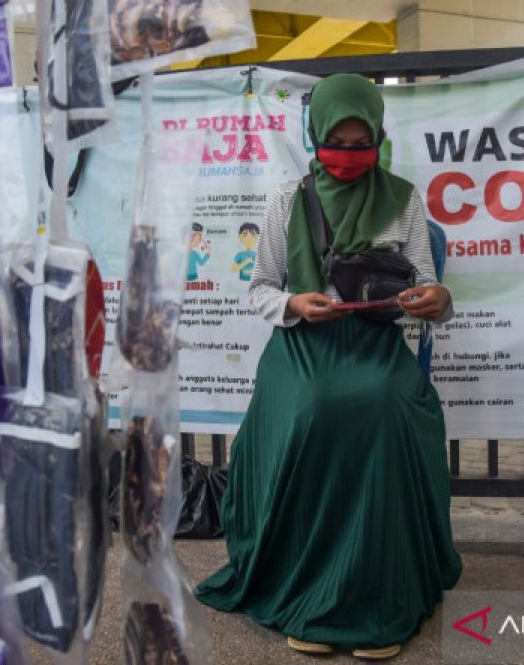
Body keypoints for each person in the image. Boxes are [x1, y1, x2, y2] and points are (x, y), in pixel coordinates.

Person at [195, 74, 462, 660]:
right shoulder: (286, 200)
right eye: (335, 143)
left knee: (385, 407)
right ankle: (308, 586)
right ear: (315, 138)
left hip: (375, 343)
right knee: (313, 410)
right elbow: (260, 288)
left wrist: (436, 301)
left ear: (378, 137)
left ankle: (376, 591)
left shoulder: (404, 198)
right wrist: (293, 303)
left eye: (359, 143)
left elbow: (428, 285)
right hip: (303, 345)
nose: (348, 156)